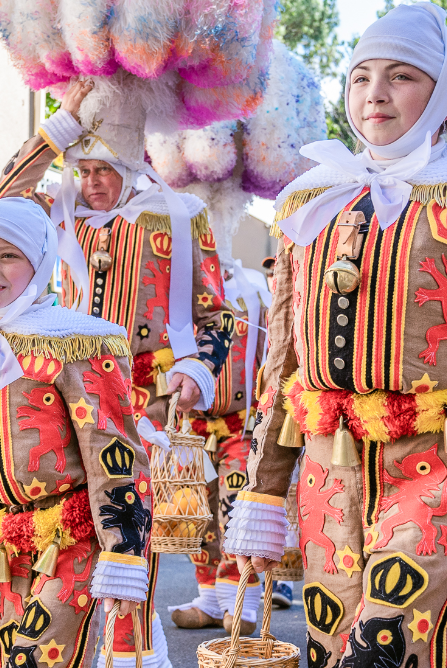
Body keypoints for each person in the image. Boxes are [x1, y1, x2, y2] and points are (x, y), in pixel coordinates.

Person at [224, 2, 447, 665]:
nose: (375, 93)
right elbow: (282, 366)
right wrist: (260, 494)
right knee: (328, 649)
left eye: (402, 75)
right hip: (326, 468)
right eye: (360, 76)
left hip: (433, 464)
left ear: (440, 92)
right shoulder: (313, 201)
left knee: (383, 647)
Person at [0, 81, 234, 668]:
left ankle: (131, 650)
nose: (92, 181)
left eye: (104, 169)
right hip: (61, 392)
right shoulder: (59, 213)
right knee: (72, 524)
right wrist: (64, 124)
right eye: (83, 168)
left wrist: (200, 367)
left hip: (146, 394)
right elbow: (3, 195)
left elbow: (217, 311)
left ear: (132, 166)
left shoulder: (179, 215)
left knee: (132, 520)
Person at [0, 198, 152, 667]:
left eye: (7, 255)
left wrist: (124, 550)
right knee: (11, 655)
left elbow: (112, 452)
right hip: (2, 540)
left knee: (38, 659)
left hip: (70, 540)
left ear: (38, 263)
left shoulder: (76, 341)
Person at [169, 262, 269, 634]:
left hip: (241, 424)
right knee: (198, 514)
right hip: (189, 426)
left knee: (237, 511)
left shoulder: (255, 288)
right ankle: (210, 598)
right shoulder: (180, 290)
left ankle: (238, 600)